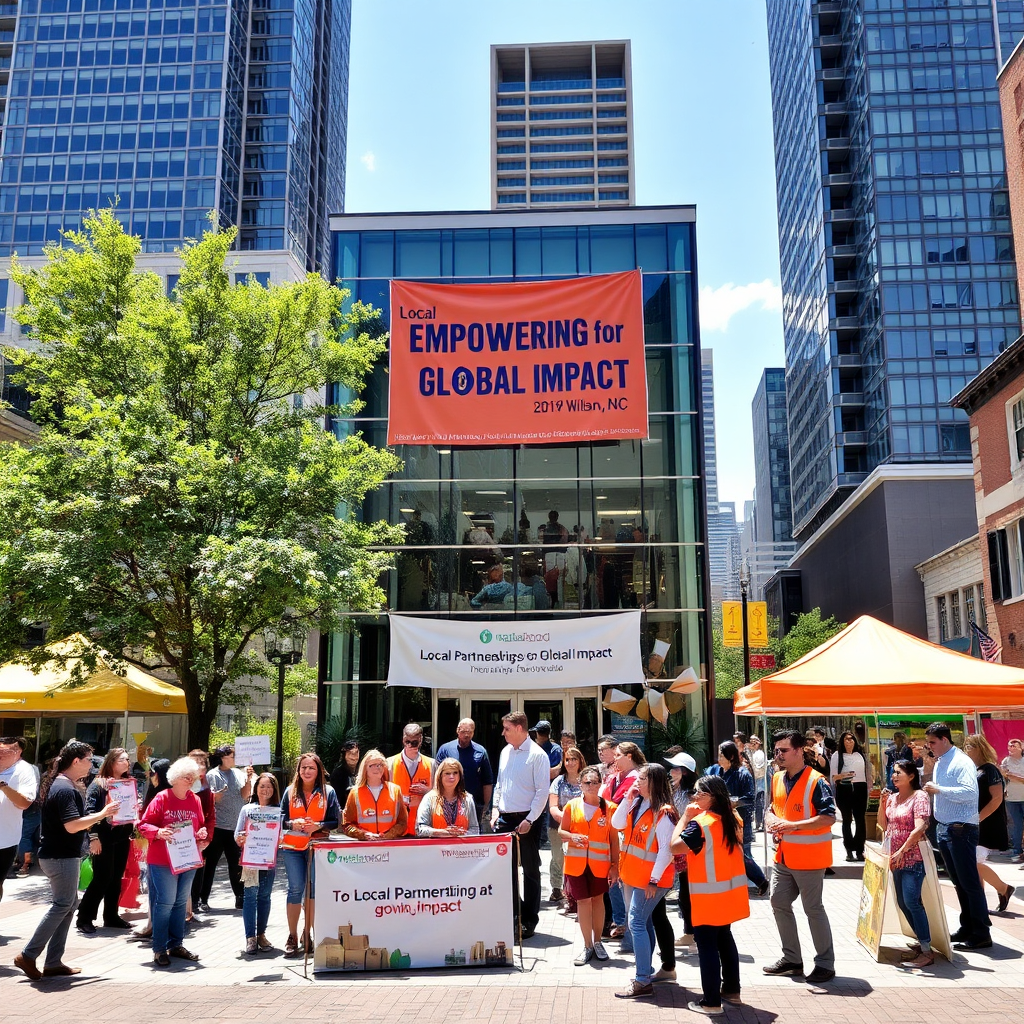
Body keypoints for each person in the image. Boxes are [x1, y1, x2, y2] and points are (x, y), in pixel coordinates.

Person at [13, 740, 119, 980]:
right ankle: (28, 955)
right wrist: (102, 814)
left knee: (69, 905)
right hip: (60, 856)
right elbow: (71, 826)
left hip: (61, 855)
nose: (92, 765)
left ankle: (53, 962)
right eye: (89, 760)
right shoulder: (65, 789)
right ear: (75, 761)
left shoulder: (63, 785)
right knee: (63, 905)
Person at [763, 728, 837, 985]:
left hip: (809, 857)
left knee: (812, 909)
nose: (778, 755)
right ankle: (792, 960)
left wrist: (794, 826)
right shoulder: (777, 777)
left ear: (799, 751)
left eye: (783, 750)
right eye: (776, 751)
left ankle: (825, 964)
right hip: (783, 855)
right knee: (778, 902)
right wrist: (772, 819)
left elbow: (829, 816)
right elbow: (773, 808)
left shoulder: (817, 781)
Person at [671, 775, 750, 1014]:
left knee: (706, 946)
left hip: (707, 896)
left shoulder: (700, 823)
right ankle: (732, 991)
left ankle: (712, 1002)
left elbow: (674, 847)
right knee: (725, 938)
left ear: (711, 796)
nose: (694, 798)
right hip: (727, 893)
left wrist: (685, 816)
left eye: (698, 793)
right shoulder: (733, 817)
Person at [611, 763, 678, 998]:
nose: (636, 781)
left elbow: (666, 852)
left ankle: (642, 980)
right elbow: (617, 824)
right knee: (643, 923)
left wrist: (654, 880)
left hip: (649, 880)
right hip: (632, 876)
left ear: (654, 782)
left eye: (641, 778)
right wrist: (627, 799)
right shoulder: (637, 803)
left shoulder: (664, 812)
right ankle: (645, 972)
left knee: (636, 923)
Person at [924, 722, 989, 949]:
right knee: (959, 883)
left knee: (969, 883)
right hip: (947, 828)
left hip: (961, 829)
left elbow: (971, 792)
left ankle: (981, 931)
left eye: (932, 742)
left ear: (944, 739)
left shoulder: (961, 761)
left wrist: (939, 790)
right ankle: (968, 926)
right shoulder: (942, 761)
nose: (929, 747)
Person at [138, 756, 207, 967]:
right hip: (162, 860)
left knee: (179, 904)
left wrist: (202, 835)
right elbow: (143, 825)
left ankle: (176, 944)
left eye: (192, 776)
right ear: (175, 777)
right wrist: (159, 832)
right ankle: (159, 948)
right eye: (185, 776)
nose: (189, 779)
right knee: (165, 903)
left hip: (187, 859)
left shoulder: (195, 800)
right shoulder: (162, 798)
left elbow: (200, 827)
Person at [490, 710, 549, 940]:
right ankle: (516, 915)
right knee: (506, 870)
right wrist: (495, 809)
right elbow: (500, 783)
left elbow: (542, 792)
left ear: (519, 729)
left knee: (531, 870)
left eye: (506, 728)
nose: (503, 733)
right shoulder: (505, 752)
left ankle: (530, 919)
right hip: (505, 817)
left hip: (527, 818)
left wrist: (530, 820)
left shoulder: (537, 755)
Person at [280, 752, 340, 957]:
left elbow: (335, 821)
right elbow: (280, 819)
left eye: (311, 768)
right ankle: (292, 935)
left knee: (312, 890)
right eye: (303, 767)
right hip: (293, 848)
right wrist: (291, 823)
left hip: (317, 846)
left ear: (319, 771)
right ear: (299, 770)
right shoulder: (289, 791)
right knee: (295, 889)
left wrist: (318, 826)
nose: (307, 771)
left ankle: (309, 933)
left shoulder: (328, 792)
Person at [558, 765, 618, 965]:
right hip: (576, 865)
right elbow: (561, 832)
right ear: (580, 785)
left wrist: (615, 865)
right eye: (587, 782)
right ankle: (587, 946)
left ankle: (598, 941)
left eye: (595, 782)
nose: (591, 786)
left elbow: (614, 840)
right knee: (583, 902)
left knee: (597, 901)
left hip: (600, 865)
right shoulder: (572, 806)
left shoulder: (610, 808)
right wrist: (573, 837)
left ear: (601, 784)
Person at [878, 758, 934, 969]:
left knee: (912, 901)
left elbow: (920, 828)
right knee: (903, 902)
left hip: (912, 858)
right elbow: (884, 824)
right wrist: (883, 804)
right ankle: (922, 942)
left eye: (898, 772)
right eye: (893, 772)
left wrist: (902, 851)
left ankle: (927, 951)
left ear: (911, 776)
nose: (894, 776)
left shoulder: (919, 796)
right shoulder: (892, 798)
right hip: (895, 857)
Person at [77, 747, 134, 932]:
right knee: (102, 877)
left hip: (122, 835)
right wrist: (93, 837)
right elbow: (89, 811)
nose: (127, 763)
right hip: (103, 837)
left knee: (116, 877)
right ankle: (84, 917)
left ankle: (111, 916)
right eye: (122, 760)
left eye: (127, 760)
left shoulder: (127, 783)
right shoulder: (99, 784)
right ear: (111, 762)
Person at [704, 741, 769, 896]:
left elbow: (749, 798)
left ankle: (760, 881)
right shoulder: (715, 771)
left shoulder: (742, 774)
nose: (719, 758)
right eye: (718, 754)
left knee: (742, 854)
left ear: (731, 756)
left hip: (739, 821)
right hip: (718, 821)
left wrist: (735, 802)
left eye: (722, 755)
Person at [963, 733, 1013, 914]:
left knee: (972, 862)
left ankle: (1004, 888)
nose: (966, 750)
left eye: (969, 747)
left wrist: (977, 819)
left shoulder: (989, 769)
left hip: (987, 823)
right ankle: (980, 902)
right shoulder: (975, 770)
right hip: (975, 822)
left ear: (979, 748)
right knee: (973, 862)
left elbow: (997, 798)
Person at [199, 745, 253, 911]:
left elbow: (245, 796)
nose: (236, 757)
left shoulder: (238, 773)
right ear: (223, 757)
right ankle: (203, 899)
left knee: (236, 864)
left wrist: (249, 779)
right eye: (232, 755)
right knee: (211, 865)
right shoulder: (213, 774)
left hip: (235, 827)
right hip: (218, 826)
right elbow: (212, 799)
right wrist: (218, 794)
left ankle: (240, 898)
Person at [601, 741, 646, 941]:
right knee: (612, 879)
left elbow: (618, 804)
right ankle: (618, 920)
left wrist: (607, 805)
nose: (614, 758)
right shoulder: (614, 777)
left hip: (627, 836)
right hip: (610, 832)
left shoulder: (636, 778)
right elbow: (603, 799)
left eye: (618, 755)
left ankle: (624, 924)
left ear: (629, 756)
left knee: (620, 881)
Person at [235, 772, 282, 955]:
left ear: (274, 789)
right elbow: (237, 833)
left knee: (265, 897)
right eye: (262, 786)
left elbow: (281, 836)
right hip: (251, 861)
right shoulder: (247, 809)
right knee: (250, 897)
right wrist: (240, 838)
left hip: (268, 860)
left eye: (269, 786)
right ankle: (250, 938)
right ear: (256, 788)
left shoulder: (278, 811)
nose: (265, 790)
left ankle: (261, 934)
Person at [665, 749, 698, 952]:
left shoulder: (690, 795)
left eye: (675, 768)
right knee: (684, 893)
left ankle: (693, 933)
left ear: (685, 772)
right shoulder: (674, 790)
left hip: (689, 849)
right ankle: (690, 932)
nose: (671, 771)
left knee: (687, 893)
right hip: (679, 847)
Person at [435, 718, 494, 827]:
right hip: (448, 802)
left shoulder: (481, 751)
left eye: (470, 732)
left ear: (474, 732)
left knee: (473, 834)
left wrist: (485, 806)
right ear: (457, 731)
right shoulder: (445, 749)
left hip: (474, 803)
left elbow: (487, 781)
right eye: (463, 732)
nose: (466, 735)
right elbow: (437, 777)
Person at [342, 749, 409, 840]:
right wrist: (363, 835)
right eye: (372, 765)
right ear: (365, 768)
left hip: (389, 845)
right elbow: (347, 825)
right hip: (365, 847)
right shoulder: (355, 793)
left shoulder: (395, 790)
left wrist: (388, 835)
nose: (377, 768)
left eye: (380, 765)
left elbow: (402, 822)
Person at [0, 736, 39, 893]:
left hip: (4, 841)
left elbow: (24, 803)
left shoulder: (25, 770)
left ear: (18, 751)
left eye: (4, 751)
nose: (0, 755)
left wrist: (4, 787)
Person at [547, 745, 583, 905]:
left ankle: (573, 894)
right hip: (557, 826)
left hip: (582, 828)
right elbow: (553, 806)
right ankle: (556, 889)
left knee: (575, 861)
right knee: (558, 858)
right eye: (567, 760)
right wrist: (567, 820)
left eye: (573, 759)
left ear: (580, 761)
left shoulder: (587, 779)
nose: (570, 763)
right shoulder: (558, 781)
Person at [830, 730, 872, 862]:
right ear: (842, 741)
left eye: (851, 739)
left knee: (860, 820)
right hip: (845, 788)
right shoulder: (837, 755)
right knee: (847, 820)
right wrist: (844, 775)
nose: (849, 741)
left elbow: (868, 773)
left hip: (860, 787)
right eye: (847, 739)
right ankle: (849, 849)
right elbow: (833, 776)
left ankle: (860, 849)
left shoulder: (860, 755)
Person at [388, 723, 434, 836]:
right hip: (396, 827)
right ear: (403, 739)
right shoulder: (390, 763)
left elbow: (440, 795)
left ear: (421, 740)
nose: (410, 745)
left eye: (414, 743)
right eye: (407, 742)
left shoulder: (431, 765)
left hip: (422, 827)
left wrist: (427, 791)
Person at [415, 757, 480, 837]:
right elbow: (420, 829)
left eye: (455, 773)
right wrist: (443, 833)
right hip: (435, 848)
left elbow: (475, 829)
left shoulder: (467, 799)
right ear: (440, 776)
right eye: (447, 773)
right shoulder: (429, 798)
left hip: (462, 848)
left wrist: (460, 834)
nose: (452, 777)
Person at [1000, 738, 1024, 862]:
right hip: (1011, 799)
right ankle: (1017, 851)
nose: (1012, 748)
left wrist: (1011, 775)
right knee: (1016, 825)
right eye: (1010, 746)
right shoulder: (1005, 762)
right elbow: (1002, 777)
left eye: (1015, 746)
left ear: (1021, 748)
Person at [327, 740, 361, 808]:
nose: (354, 757)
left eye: (356, 753)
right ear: (344, 755)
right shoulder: (338, 774)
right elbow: (337, 799)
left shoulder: (362, 770)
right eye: (350, 753)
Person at [747, 736, 767, 831]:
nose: (752, 744)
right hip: (756, 781)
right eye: (751, 742)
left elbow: (757, 769)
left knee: (760, 803)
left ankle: (761, 823)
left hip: (760, 781)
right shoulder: (753, 753)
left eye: (754, 742)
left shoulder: (759, 754)